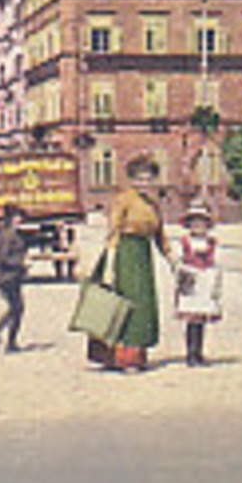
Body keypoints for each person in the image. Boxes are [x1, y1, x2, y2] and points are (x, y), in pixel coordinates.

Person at [91, 153, 169, 371]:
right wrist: (110, 264)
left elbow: (159, 235)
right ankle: (122, 358)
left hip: (144, 256)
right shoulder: (124, 199)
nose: (144, 183)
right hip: (125, 253)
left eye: (148, 178)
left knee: (144, 306)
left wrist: (172, 260)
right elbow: (114, 230)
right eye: (139, 178)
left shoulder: (153, 205)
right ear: (131, 179)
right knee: (127, 303)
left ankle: (139, 355)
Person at [173, 202, 223, 366]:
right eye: (194, 223)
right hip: (191, 281)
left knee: (201, 319)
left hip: (205, 281)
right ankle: (190, 353)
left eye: (201, 222)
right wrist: (182, 274)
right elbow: (178, 261)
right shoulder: (185, 242)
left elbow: (217, 263)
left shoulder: (211, 243)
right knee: (191, 319)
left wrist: (216, 283)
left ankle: (199, 351)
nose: (198, 226)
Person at [0, 205, 28, 353]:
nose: (20, 220)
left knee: (16, 308)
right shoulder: (7, 235)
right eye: (17, 217)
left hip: (12, 276)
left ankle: (1, 335)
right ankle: (9, 341)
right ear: (10, 219)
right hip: (6, 276)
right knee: (17, 308)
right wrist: (21, 264)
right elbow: (3, 258)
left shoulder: (10, 234)